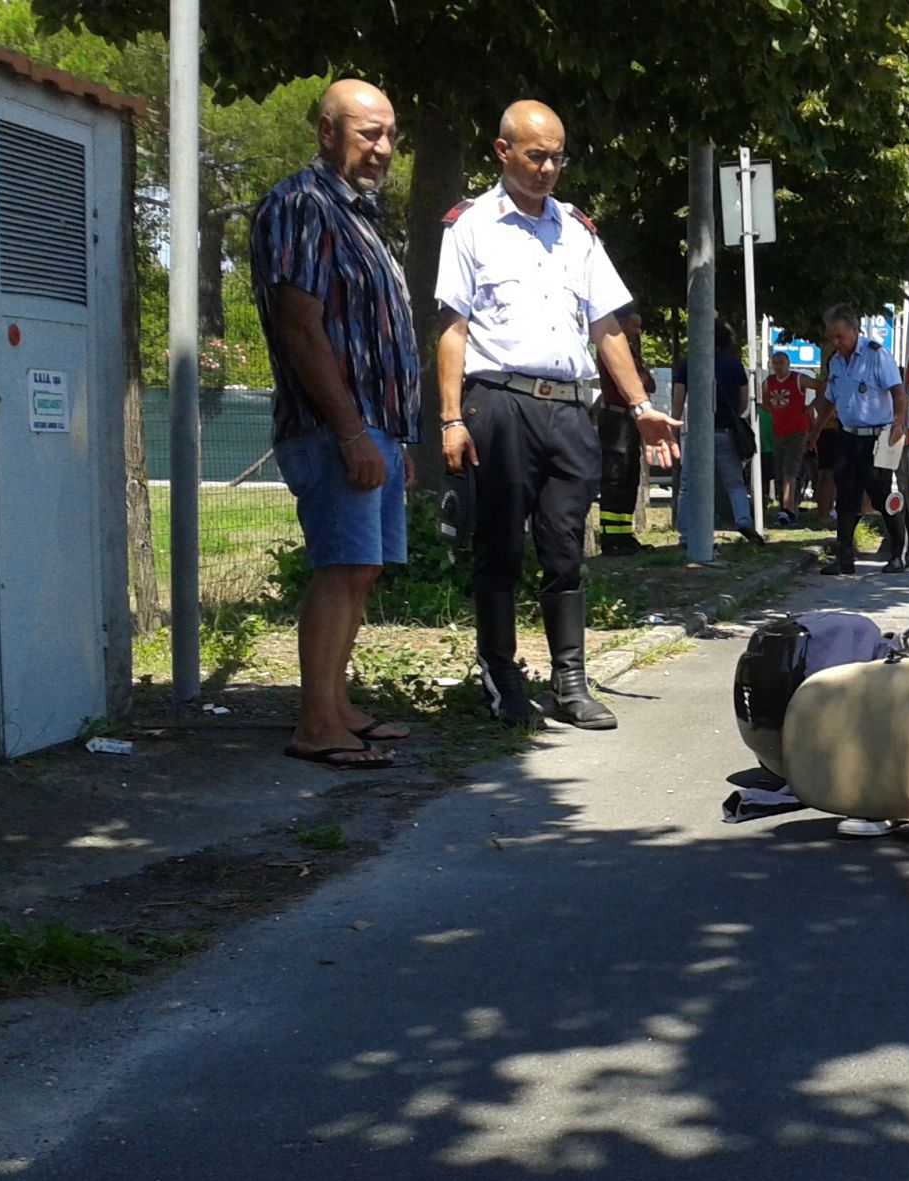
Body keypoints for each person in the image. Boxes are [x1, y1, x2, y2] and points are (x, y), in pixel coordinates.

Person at [435, 100, 680, 730]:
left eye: (557, 157)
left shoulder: (576, 230)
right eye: (535, 155)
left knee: (566, 548)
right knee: (499, 549)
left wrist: (641, 405)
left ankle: (570, 680)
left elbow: (608, 328)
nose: (547, 169)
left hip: (571, 411)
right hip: (500, 406)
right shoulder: (470, 227)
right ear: (503, 152)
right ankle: (501, 675)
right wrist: (449, 417)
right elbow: (453, 328)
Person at [249, 79, 420, 770]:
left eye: (388, 135)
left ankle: (338, 703)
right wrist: (351, 431)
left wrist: (389, 436)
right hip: (331, 426)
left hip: (370, 424)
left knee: (362, 569)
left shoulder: (358, 215)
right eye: (366, 133)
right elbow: (301, 325)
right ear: (326, 131)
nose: (382, 148)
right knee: (340, 566)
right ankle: (316, 723)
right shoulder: (301, 204)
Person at [813, 306, 909, 576]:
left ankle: (900, 552)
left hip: (877, 438)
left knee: (882, 496)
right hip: (847, 436)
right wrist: (817, 429)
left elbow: (898, 392)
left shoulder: (876, 356)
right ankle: (844, 558)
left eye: (840, 336)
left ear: (855, 331)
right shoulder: (835, 361)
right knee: (846, 497)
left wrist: (898, 423)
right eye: (832, 337)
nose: (836, 342)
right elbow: (831, 400)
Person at [672, 321, 765, 546]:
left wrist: (675, 426)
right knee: (734, 483)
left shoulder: (689, 364)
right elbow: (742, 405)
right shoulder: (734, 365)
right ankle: (743, 520)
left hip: (697, 433)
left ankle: (685, 535)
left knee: (688, 485)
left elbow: (678, 401)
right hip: (726, 432)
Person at [595, 301, 655, 555]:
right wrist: (641, 375)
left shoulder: (631, 350)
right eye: (634, 326)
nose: (637, 332)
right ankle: (611, 537)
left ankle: (624, 533)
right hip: (616, 418)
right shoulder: (614, 350)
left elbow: (648, 383)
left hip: (629, 419)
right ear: (619, 324)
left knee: (629, 476)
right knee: (615, 476)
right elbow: (641, 381)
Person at [762, 350, 813, 526]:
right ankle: (783, 506)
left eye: (781, 363)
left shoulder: (799, 379)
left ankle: (788, 510)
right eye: (775, 363)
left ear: (788, 364)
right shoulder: (768, 383)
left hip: (798, 431)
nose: (778, 366)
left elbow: (822, 387)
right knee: (779, 471)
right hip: (778, 432)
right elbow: (766, 403)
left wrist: (810, 406)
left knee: (790, 470)